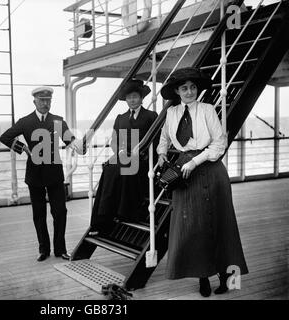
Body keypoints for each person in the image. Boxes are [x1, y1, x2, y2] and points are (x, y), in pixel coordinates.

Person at [157, 67, 248, 297]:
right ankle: (202, 278)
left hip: (210, 169)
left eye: (193, 87)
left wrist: (194, 162)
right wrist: (161, 153)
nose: (189, 92)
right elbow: (164, 139)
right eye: (184, 88)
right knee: (192, 228)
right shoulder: (172, 113)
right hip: (184, 174)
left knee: (221, 225)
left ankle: (228, 277)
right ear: (177, 91)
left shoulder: (207, 109)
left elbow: (218, 144)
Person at [0, 87, 83, 262]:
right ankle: (43, 249)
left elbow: (70, 140)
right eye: (42, 100)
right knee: (39, 214)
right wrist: (23, 148)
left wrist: (79, 146)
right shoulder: (25, 122)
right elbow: (5, 137)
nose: (45, 103)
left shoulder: (58, 121)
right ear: (35, 102)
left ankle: (60, 249)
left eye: (48, 100)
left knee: (60, 212)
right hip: (35, 174)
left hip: (54, 173)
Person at [90, 79, 158, 236]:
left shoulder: (151, 116)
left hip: (142, 159)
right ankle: (101, 219)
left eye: (135, 96)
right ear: (126, 100)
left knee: (123, 169)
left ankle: (124, 213)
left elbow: (157, 139)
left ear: (141, 98)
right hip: (123, 157)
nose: (132, 100)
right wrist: (119, 152)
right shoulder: (120, 118)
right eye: (129, 97)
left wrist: (141, 153)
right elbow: (114, 142)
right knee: (108, 170)